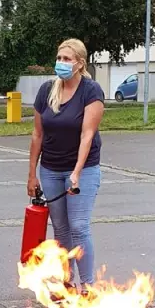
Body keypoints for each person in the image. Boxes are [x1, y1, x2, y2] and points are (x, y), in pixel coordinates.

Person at [27, 38, 105, 291]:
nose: (61, 63)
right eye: (59, 58)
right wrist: (32, 175)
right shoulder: (46, 90)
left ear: (80, 63)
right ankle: (66, 282)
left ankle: (88, 286)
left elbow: (87, 135)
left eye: (67, 59)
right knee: (60, 229)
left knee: (79, 227)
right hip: (50, 169)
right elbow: (37, 135)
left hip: (83, 169)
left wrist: (77, 172)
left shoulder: (91, 91)